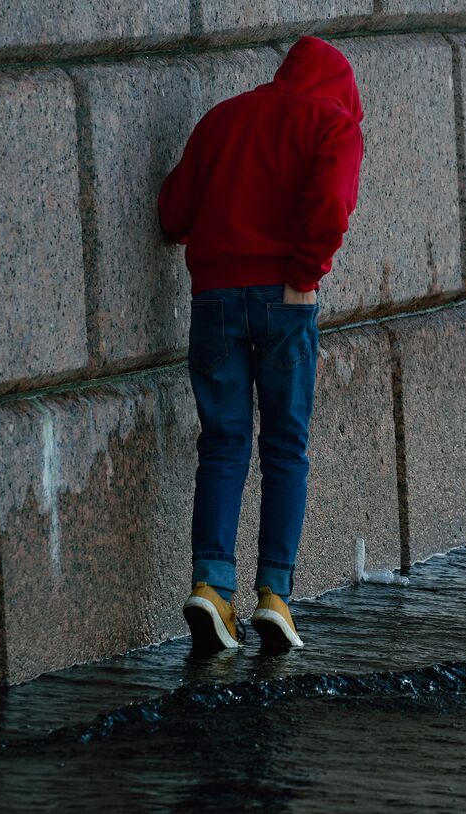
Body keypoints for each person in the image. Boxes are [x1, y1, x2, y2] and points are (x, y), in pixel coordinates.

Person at [157, 36, 364, 652]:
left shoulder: (222, 117)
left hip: (213, 300)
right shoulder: (334, 125)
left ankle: (212, 588)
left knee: (221, 445)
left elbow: (173, 215)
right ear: (342, 91)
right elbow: (332, 203)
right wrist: (303, 275)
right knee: (284, 448)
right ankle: (274, 595)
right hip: (285, 299)